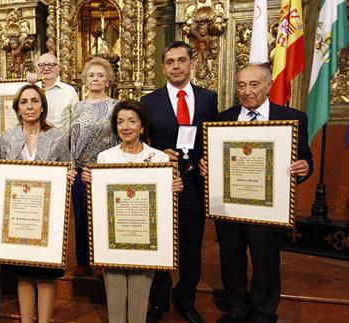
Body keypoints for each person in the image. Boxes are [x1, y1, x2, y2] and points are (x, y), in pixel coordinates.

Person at [200, 63, 312, 323]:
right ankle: (237, 308)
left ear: (268, 86)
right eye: (241, 85)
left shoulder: (293, 118)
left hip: (268, 208)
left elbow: (305, 158)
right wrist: (207, 164)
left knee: (265, 262)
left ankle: (263, 313)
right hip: (229, 207)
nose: (247, 91)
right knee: (231, 258)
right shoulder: (222, 119)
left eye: (254, 84)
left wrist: (304, 167)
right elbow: (214, 155)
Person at [81, 99, 183, 323]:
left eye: (131, 121)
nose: (125, 127)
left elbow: (164, 201)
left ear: (142, 126)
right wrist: (91, 181)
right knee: (115, 302)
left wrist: (175, 187)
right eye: (120, 122)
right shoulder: (104, 158)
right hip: (114, 239)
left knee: (139, 299)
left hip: (146, 240)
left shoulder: (159, 159)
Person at [141, 40, 218, 323]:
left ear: (191, 63)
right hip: (161, 182)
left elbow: (213, 137)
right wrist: (160, 154)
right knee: (160, 239)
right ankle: (159, 298)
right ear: (163, 67)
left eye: (181, 60)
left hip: (195, 183)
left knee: (191, 242)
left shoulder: (209, 98)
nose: (176, 66)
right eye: (170, 61)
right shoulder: (149, 102)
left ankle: (186, 299)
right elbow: (140, 142)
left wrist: (206, 158)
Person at [0, 84, 76, 323]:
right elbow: (1, 172)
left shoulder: (58, 136)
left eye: (34, 101)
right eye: (24, 102)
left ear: (42, 106)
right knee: (23, 275)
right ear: (17, 108)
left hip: (47, 217)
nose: (30, 106)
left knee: (45, 275)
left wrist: (69, 176)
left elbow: (69, 168)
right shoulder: (8, 137)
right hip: (19, 216)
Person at [70, 57, 119, 276]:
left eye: (100, 75)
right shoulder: (78, 107)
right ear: (85, 80)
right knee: (80, 217)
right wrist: (71, 167)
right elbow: (71, 138)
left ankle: (101, 260)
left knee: (102, 216)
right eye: (91, 75)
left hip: (104, 170)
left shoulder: (115, 106)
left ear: (108, 81)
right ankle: (82, 260)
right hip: (80, 171)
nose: (96, 79)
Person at [28, 53, 79, 131]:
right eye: (42, 65)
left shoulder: (69, 91)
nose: (46, 68)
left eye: (51, 65)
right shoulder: (29, 89)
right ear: (36, 69)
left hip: (60, 140)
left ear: (58, 68)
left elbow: (77, 121)